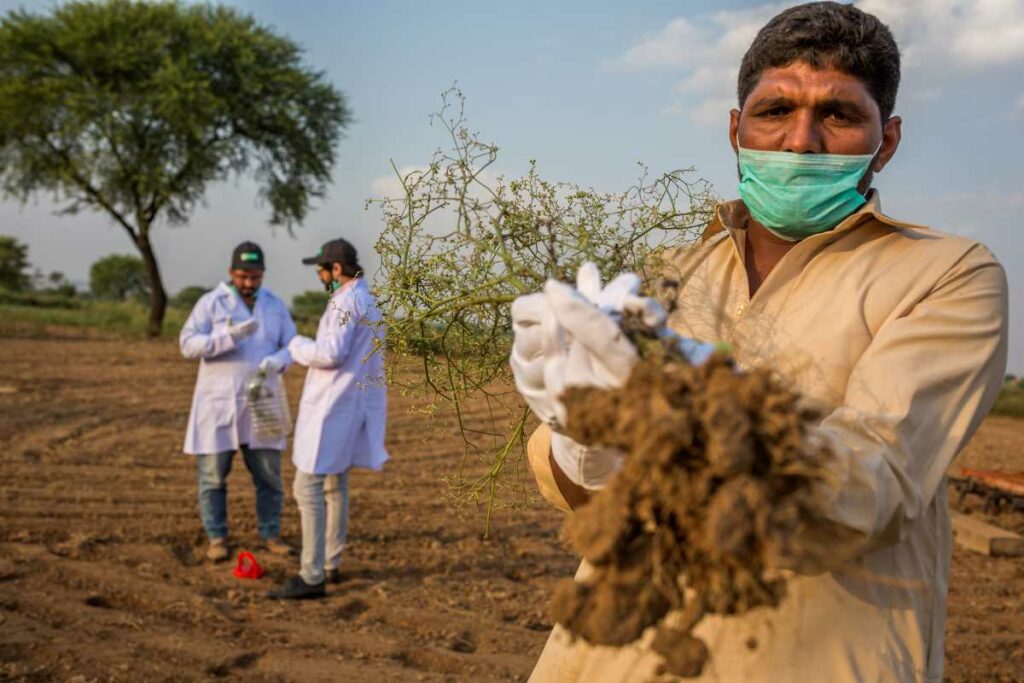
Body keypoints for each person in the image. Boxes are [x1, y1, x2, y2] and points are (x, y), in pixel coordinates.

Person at [510, 3, 1008, 682]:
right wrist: (579, 434)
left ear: (885, 141)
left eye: (838, 114)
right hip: (613, 655)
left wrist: (691, 408)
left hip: (807, 657)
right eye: (776, 110)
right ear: (736, 128)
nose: (800, 140)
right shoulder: (664, 275)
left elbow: (871, 480)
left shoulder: (947, 273)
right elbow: (584, 495)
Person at [269, 238, 388, 600]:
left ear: (336, 269)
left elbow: (331, 353)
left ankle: (312, 575)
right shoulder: (368, 300)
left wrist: (296, 346)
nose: (320, 275)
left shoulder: (344, 303)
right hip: (351, 405)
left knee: (307, 488)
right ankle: (331, 564)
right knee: (336, 487)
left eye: (322, 269)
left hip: (332, 408)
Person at [180, 241, 297, 562]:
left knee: (269, 477)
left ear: (263, 275)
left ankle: (270, 533)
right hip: (217, 403)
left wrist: (278, 360)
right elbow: (187, 345)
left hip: (262, 401)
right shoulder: (210, 304)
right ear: (231, 273)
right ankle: (216, 536)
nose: (249, 283)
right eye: (243, 276)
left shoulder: (274, 305)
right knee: (213, 478)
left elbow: (292, 343)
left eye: (255, 277)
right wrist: (227, 338)